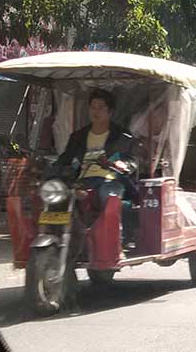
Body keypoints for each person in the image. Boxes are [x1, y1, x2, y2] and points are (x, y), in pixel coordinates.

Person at [54, 89, 137, 246]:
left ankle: (117, 240)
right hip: (82, 181)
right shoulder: (78, 136)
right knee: (55, 195)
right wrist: (47, 168)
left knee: (108, 194)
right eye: (93, 107)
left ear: (110, 112)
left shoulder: (122, 135)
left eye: (101, 107)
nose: (96, 111)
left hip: (111, 180)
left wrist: (122, 164)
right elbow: (64, 159)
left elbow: (131, 160)